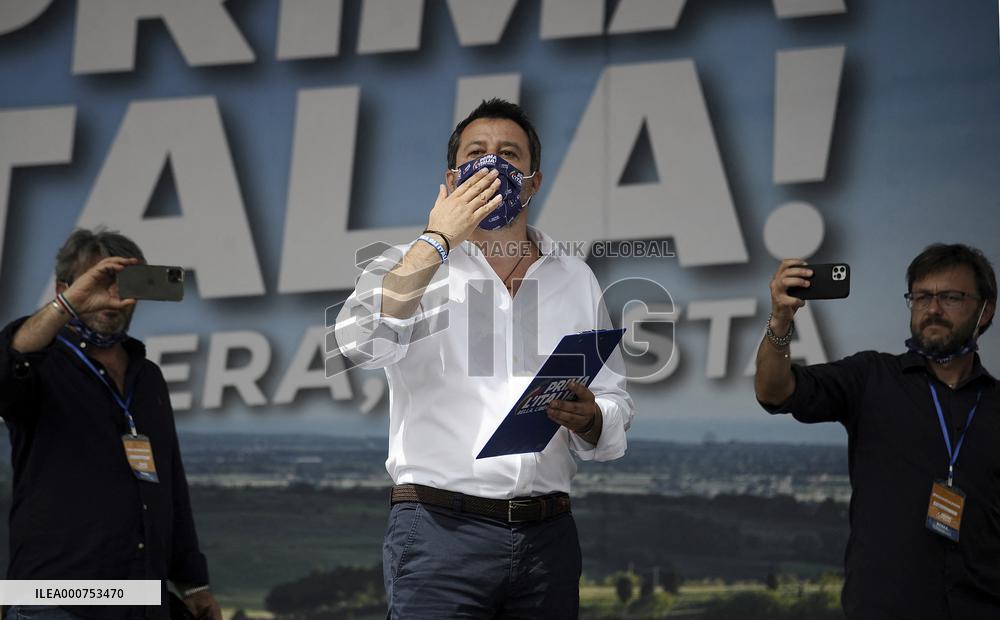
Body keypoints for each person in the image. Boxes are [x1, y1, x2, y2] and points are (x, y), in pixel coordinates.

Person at [334, 98, 635, 618]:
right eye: (477, 153)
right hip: (438, 536)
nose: (492, 164)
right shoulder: (404, 266)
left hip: (548, 538)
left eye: (509, 155)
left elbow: (613, 402)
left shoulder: (574, 276)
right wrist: (437, 240)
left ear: (534, 182)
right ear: (451, 179)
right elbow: (359, 343)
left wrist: (591, 419)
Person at [754, 244, 1000, 619]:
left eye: (950, 297)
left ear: (986, 310)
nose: (932, 309)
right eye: (921, 297)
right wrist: (780, 322)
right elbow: (775, 391)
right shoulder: (871, 378)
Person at [0, 229, 221, 620]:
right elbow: (8, 366)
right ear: (65, 288)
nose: (111, 297)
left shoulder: (147, 376)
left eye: (124, 285)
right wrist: (66, 306)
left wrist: (194, 582)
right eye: (98, 282)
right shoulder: (37, 363)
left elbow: (170, 484)